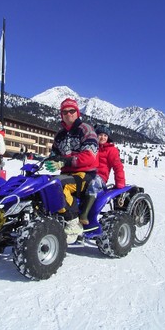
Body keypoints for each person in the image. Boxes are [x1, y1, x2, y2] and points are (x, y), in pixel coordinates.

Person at [44, 98, 99, 242]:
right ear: (61, 114)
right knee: (44, 185)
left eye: (72, 111)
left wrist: (65, 161)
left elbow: (89, 156)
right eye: (64, 111)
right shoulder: (60, 135)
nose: (68, 114)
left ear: (77, 112)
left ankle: (74, 222)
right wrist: (51, 161)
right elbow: (55, 154)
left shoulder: (86, 129)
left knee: (58, 185)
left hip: (85, 173)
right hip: (66, 174)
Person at [95, 124, 126, 190]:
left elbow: (118, 166)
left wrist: (120, 182)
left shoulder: (111, 150)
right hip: (87, 175)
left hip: (100, 178)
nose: (102, 137)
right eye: (100, 135)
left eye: (105, 135)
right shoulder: (92, 147)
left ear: (108, 137)